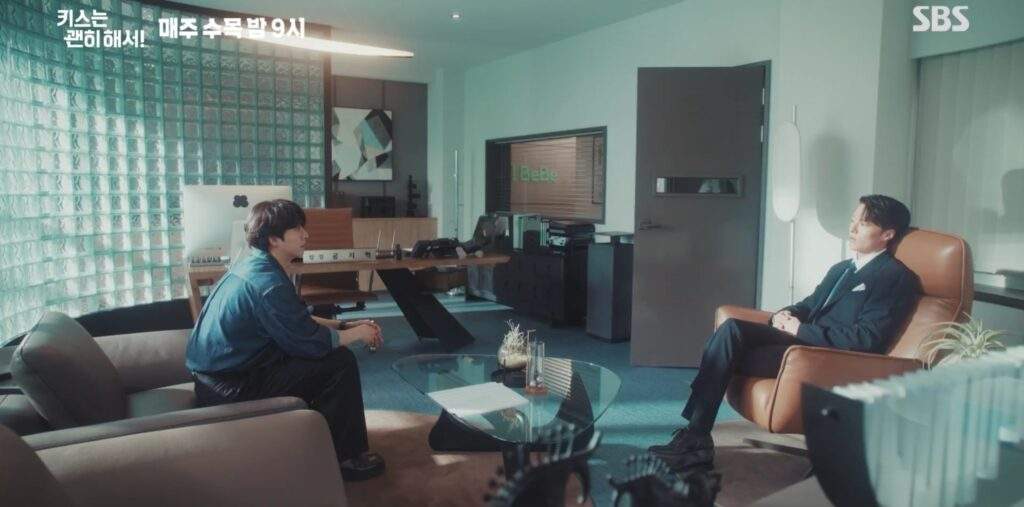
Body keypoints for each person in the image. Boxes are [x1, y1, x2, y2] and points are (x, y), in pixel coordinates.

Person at [649, 195, 918, 472]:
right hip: (800, 343)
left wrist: (800, 329)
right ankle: (696, 436)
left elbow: (865, 339)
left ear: (887, 234)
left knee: (720, 357)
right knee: (731, 331)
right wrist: (784, 315)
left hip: (825, 358)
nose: (852, 228)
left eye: (863, 224)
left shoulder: (894, 277)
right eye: (853, 221)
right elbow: (809, 305)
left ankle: (695, 441)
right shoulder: (842, 269)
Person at [186, 199, 386, 481]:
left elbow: (295, 321)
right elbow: (311, 342)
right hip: (231, 388)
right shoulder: (268, 283)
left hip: (222, 375)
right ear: (274, 239)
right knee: (339, 362)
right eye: (297, 229)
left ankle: (319, 438)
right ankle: (346, 459)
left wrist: (345, 324)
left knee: (320, 356)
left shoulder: (253, 265)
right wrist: (359, 334)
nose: (306, 235)